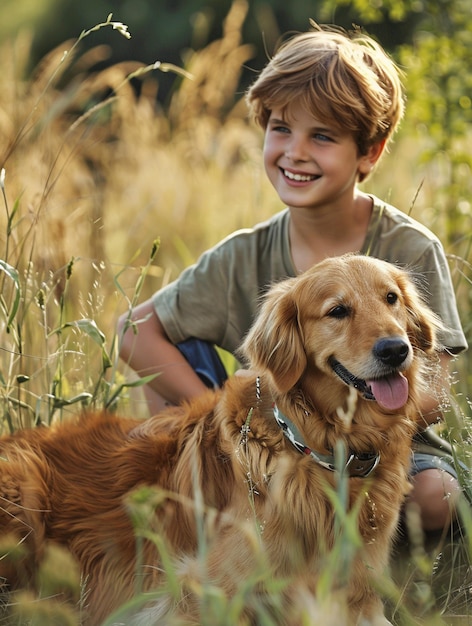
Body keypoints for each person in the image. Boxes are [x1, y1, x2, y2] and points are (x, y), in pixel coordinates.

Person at [117, 24, 468, 536]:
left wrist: (367, 417)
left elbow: (435, 384)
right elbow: (134, 328)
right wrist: (218, 415)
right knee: (180, 357)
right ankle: (226, 552)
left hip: (385, 454)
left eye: (321, 136)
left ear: (369, 151)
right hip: (273, 445)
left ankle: (384, 577)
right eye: (280, 128)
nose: (295, 151)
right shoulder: (242, 254)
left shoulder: (410, 248)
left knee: (438, 496)